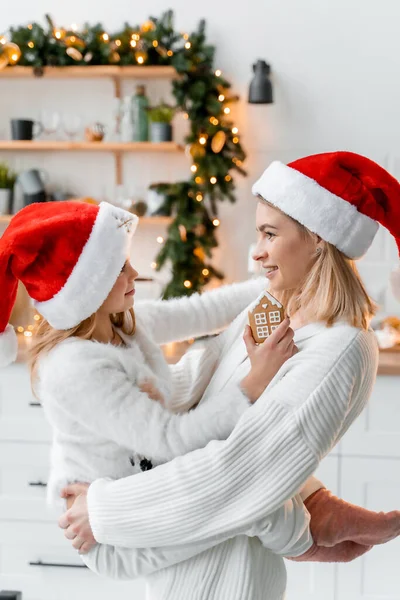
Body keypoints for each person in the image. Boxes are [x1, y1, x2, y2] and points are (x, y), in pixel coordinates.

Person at [57, 151, 400, 600]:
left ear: (318, 238)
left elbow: (240, 471)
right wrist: (136, 400)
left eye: (269, 234)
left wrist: (101, 510)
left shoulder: (340, 348)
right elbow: (199, 386)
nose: (256, 251)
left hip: (227, 583)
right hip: (177, 569)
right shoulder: (274, 308)